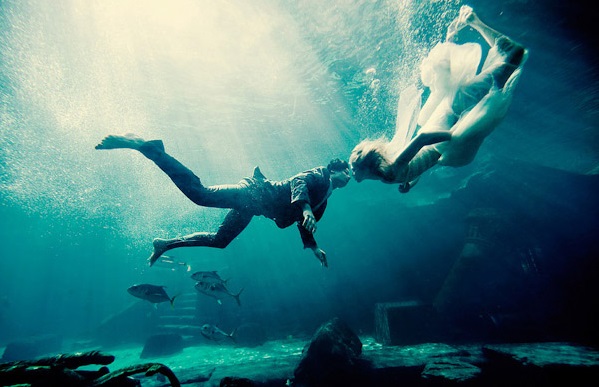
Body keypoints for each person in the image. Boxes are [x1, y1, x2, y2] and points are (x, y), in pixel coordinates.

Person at [95, 134, 351, 268]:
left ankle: (165, 244)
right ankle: (149, 148)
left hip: (253, 207)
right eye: (346, 171)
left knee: (220, 241)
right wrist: (306, 209)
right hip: (252, 192)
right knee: (201, 194)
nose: (349, 176)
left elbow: (303, 224)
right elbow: (299, 182)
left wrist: (314, 248)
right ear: (335, 170)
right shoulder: (320, 175)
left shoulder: (325, 199)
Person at [349, 5, 528, 192]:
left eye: (354, 168)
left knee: (513, 56)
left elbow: (423, 139)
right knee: (500, 73)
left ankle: (474, 22)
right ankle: (463, 36)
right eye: (353, 167)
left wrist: (453, 136)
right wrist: (409, 183)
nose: (352, 172)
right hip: (445, 126)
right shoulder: (388, 175)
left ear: (365, 165)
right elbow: (417, 164)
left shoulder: (391, 171)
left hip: (446, 121)